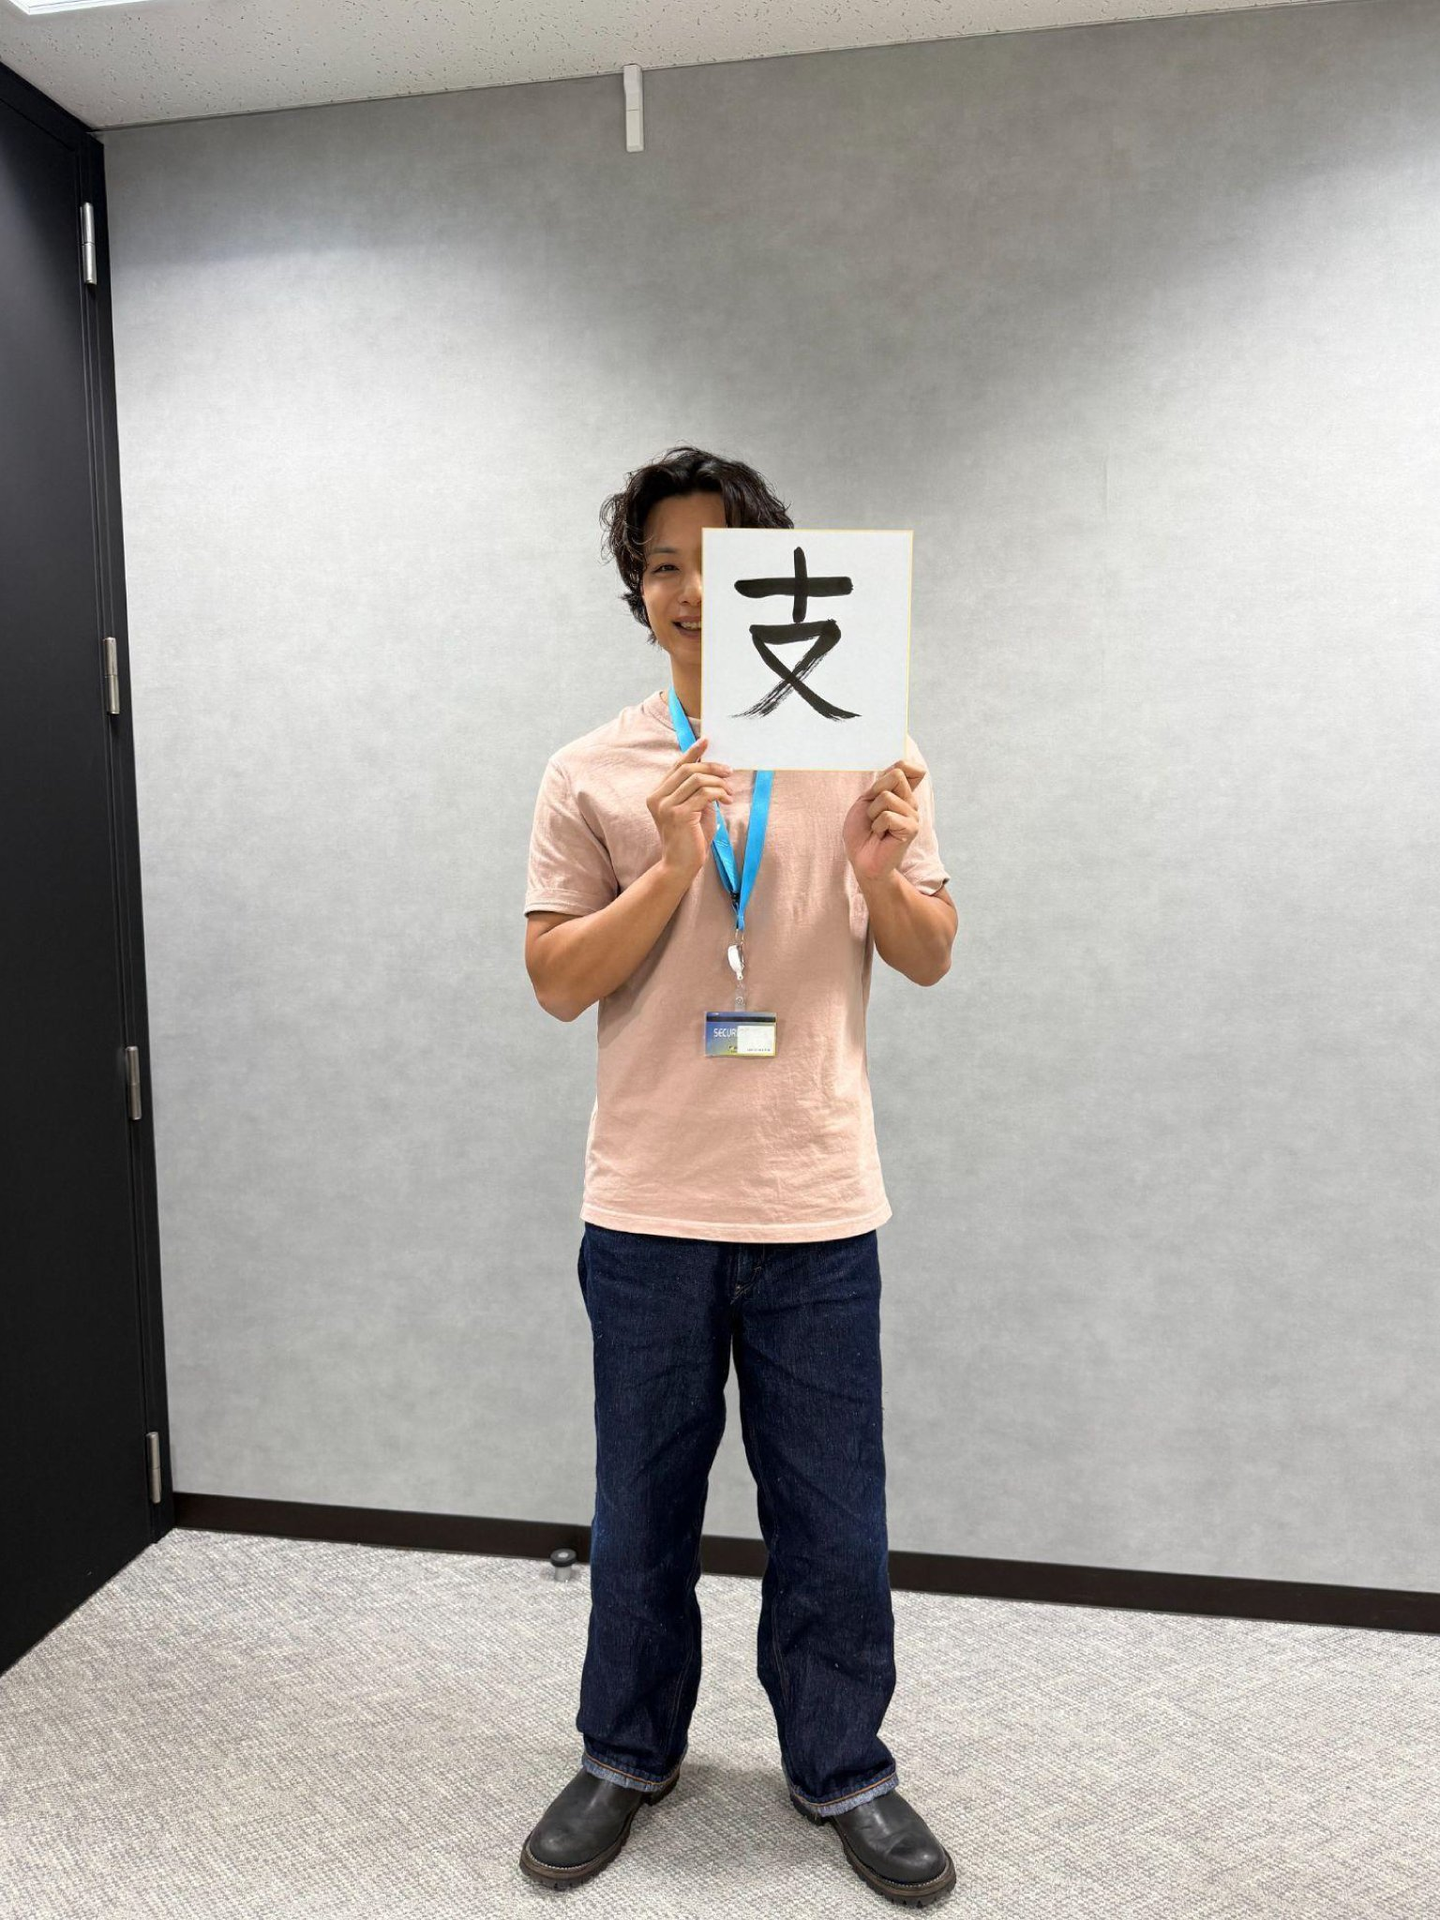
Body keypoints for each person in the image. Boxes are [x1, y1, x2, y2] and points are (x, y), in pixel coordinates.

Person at [518, 444, 959, 1905]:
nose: (691, 592)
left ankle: (845, 1766)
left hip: (816, 1198)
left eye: (719, 563)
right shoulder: (591, 770)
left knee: (832, 1508)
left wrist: (886, 863)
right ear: (637, 590)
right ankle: (624, 1751)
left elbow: (928, 952)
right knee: (639, 1504)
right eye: (662, 566)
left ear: (779, 578)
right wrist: (665, 864)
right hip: (648, 1202)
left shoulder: (865, 748)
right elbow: (555, 980)